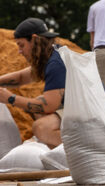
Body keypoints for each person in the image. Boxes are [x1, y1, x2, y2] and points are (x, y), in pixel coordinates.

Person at [0, 18, 65, 148]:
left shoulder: (56, 63)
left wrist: (11, 99)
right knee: (38, 104)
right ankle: (56, 151)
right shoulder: (51, 55)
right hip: (81, 108)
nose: (19, 51)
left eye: (22, 45)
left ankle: (81, 151)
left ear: (34, 39)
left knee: (41, 127)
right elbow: (20, 78)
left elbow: (48, 106)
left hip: (90, 113)